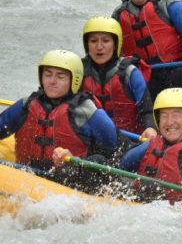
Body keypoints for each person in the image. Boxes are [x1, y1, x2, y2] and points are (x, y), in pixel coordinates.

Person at [0, 50, 119, 191]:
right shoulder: (26, 105)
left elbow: (112, 149)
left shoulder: (85, 111)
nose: (52, 81)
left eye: (60, 77)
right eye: (47, 74)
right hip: (24, 176)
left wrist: (76, 160)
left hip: (66, 183)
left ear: (74, 80)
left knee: (98, 160)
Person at [81, 16, 157, 139]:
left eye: (106, 41)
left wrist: (150, 127)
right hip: (91, 141)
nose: (99, 47)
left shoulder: (129, 73)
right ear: (87, 45)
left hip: (128, 142)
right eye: (93, 41)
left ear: (116, 44)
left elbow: (147, 111)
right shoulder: (78, 72)